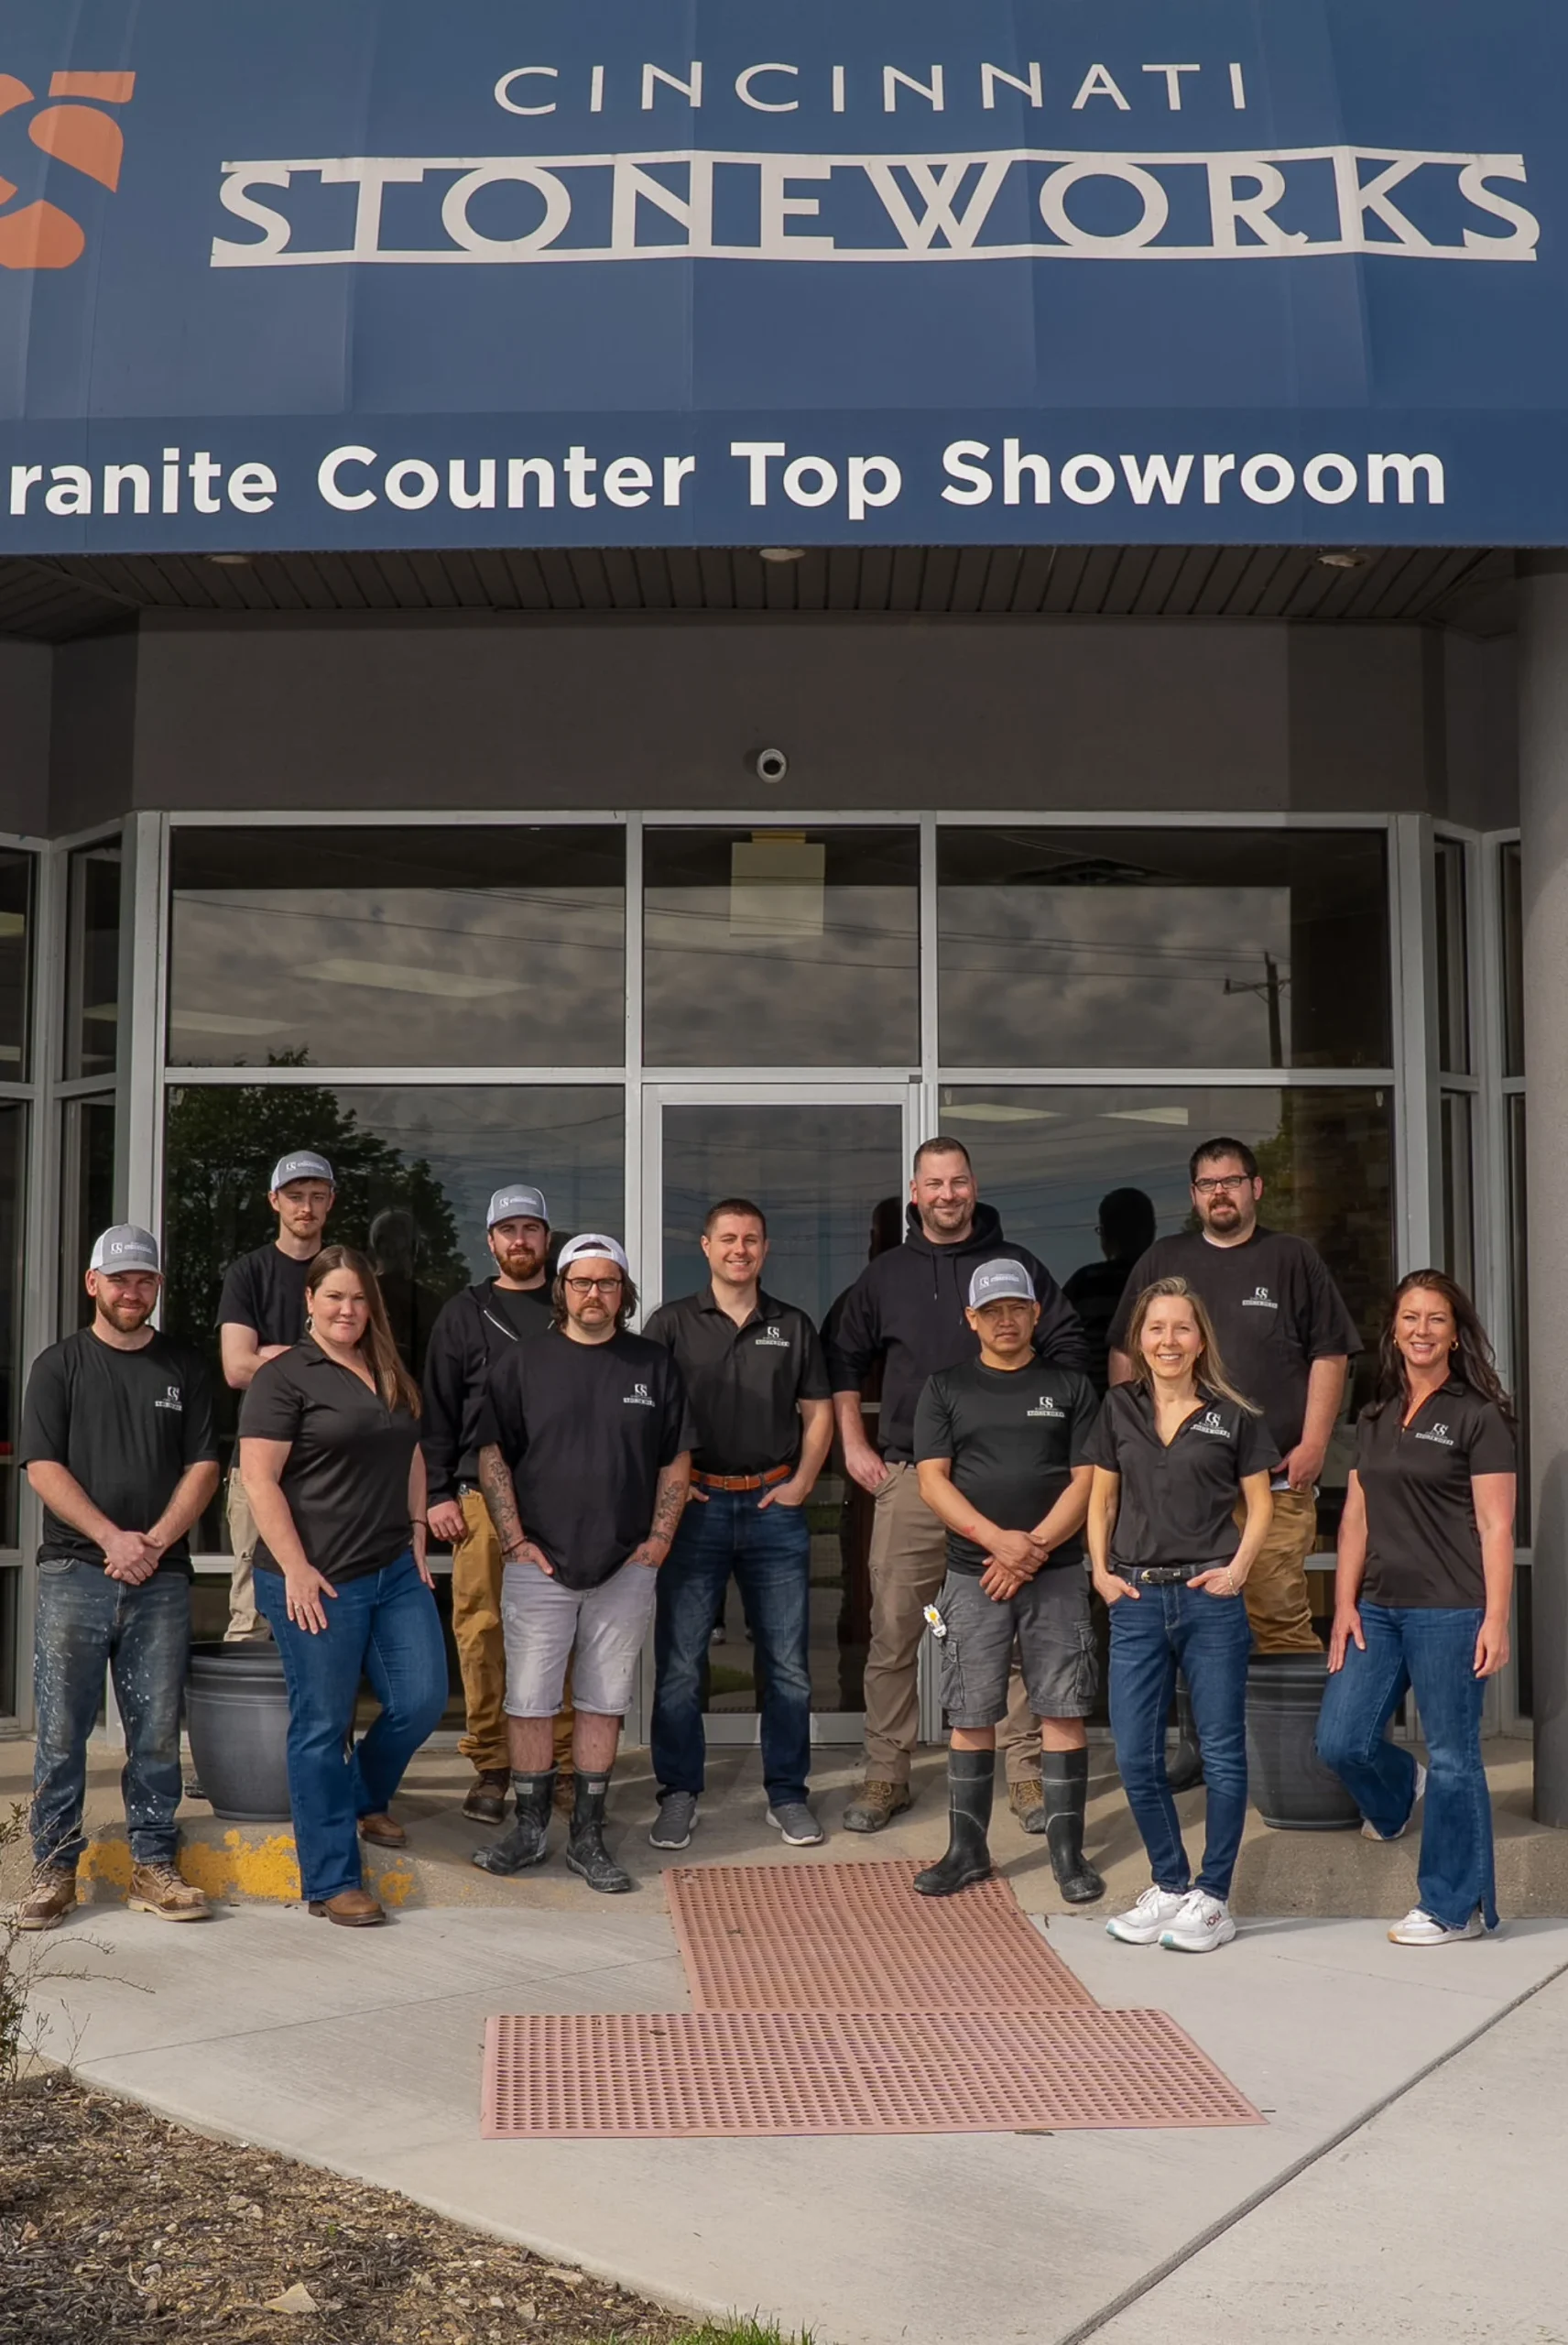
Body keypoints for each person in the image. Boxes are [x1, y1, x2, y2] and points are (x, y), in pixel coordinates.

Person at [827, 1136, 1086, 1832]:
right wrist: (854, 1443)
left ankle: (1027, 1775)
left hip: (1008, 1489)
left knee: (1012, 1634)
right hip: (916, 1480)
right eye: (933, 1184)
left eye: (958, 1181)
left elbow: (1069, 1354)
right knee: (897, 1632)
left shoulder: (1017, 1267)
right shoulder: (886, 1275)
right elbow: (842, 1358)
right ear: (915, 1193)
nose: (947, 1195)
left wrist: (1040, 1433)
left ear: (975, 1185)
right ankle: (887, 1774)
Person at [472, 1235, 694, 1894]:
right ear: (560, 1289)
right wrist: (514, 1541)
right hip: (539, 1565)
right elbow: (491, 1456)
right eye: (581, 1282)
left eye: (607, 1283)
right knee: (530, 1702)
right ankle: (530, 1830)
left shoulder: (653, 1366)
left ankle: (589, 1836)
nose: (593, 1294)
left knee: (603, 1703)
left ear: (624, 1294)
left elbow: (675, 1459)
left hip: (625, 1566)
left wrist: (658, 1540)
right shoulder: (522, 1364)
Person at [16, 1226, 220, 1930]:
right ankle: (53, 1868)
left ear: (157, 1287)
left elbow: (204, 1467)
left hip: (161, 1579)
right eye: (121, 1278)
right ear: (93, 1283)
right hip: (76, 1572)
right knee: (62, 1734)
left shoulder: (185, 1367)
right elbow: (44, 1467)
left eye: (146, 1280)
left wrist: (154, 1543)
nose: (134, 1291)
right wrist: (111, 1539)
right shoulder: (59, 1366)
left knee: (158, 1733)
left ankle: (154, 1866)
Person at [239, 1244, 445, 1928]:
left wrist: (417, 1528)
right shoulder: (285, 1376)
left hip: (393, 1570)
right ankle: (330, 1881)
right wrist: (295, 1566)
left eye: (359, 1299)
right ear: (309, 1302)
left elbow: (410, 1449)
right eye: (334, 1297)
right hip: (317, 1579)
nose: (348, 1310)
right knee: (322, 1726)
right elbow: (259, 1479)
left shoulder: (386, 1368)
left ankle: (363, 1795)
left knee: (420, 1700)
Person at [1316, 1271, 1516, 1947]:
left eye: (1435, 1319)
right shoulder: (1373, 1418)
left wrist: (1496, 1617)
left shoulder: (1479, 1417)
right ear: (1393, 1329)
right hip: (1378, 1608)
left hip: (1450, 1609)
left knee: (1457, 1757)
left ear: (1455, 1334)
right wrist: (1343, 1604)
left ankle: (1451, 1908)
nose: (1421, 1330)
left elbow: (1495, 1527)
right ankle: (1401, 1793)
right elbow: (1354, 1522)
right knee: (1340, 1740)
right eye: (1410, 1317)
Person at [1107, 1137, 1361, 1658]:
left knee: (1278, 1619)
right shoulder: (1163, 1260)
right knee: (1186, 1629)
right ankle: (1205, 1743)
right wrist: (1133, 1440)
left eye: (1231, 1182)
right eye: (1208, 1184)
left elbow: (1330, 1354)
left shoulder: (1291, 1258)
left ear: (1256, 1188)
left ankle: (1286, 1742)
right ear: (1194, 1196)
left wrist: (1315, 1444)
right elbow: (1126, 1354)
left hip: (1276, 1480)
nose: (1220, 1193)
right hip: (1180, 1491)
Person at [1087, 1276, 1278, 1954]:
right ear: (1140, 1340)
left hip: (1209, 1600)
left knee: (1222, 1752)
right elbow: (1102, 1500)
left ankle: (1214, 1898)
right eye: (1156, 1329)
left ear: (1201, 1341)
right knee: (1137, 1753)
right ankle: (1170, 1884)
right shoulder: (1118, 1409)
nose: (1168, 1341)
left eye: (1181, 1329)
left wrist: (1237, 1572)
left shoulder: (1233, 1414)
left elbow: (1261, 1507)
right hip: (1137, 1600)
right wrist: (1101, 1573)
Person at [644, 1198, 834, 1852]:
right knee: (680, 1665)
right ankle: (678, 1793)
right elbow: (646, 1419)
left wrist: (802, 1484)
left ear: (765, 1248)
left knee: (787, 1665)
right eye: (728, 1239)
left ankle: (787, 1793)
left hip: (770, 1507)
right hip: (696, 1509)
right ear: (705, 1246)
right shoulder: (670, 1325)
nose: (739, 1250)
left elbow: (818, 1412)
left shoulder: (793, 1324)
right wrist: (671, 1491)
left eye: (751, 1239)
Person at [911, 1260, 1102, 1902]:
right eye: (991, 1312)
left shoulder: (1071, 1385)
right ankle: (967, 1852)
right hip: (974, 1574)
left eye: (1016, 1308)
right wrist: (998, 1543)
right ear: (971, 1319)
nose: (1006, 1321)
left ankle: (1068, 1856)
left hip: (1057, 1571)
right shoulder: (944, 1388)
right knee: (971, 1709)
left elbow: (1088, 1481)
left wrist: (1035, 1547)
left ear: (1035, 1313)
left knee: (1062, 1706)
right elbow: (933, 1480)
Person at [421, 1184, 568, 1825]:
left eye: (530, 1229)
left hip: (564, 1500)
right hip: (478, 1497)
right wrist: (434, 1493)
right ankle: (491, 1764)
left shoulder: (575, 1304)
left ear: (546, 1237)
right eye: (507, 1231)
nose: (519, 1241)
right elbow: (437, 1410)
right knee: (482, 1630)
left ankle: (559, 1766)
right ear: (489, 1241)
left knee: (560, 1635)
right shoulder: (464, 1312)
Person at [217, 1151, 335, 1642]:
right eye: (294, 1197)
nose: (305, 1207)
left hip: (333, 1462)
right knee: (251, 1610)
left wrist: (274, 1357)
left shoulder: (346, 1272)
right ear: (274, 1201)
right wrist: (315, 1363)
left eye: (316, 1197)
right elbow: (236, 1366)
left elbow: (369, 1369)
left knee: (331, 1599)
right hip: (260, 1459)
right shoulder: (249, 1272)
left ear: (331, 1203)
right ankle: (251, 1720)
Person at [1063, 1188, 1157, 1397]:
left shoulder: (1085, 1284)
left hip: (1094, 1402)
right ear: (1150, 1230)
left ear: (1106, 1235)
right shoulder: (1168, 1281)